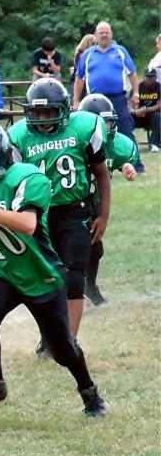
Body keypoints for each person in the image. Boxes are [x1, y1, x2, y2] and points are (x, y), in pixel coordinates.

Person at [0, 119, 106, 417]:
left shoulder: (26, 178)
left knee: (63, 350)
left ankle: (90, 392)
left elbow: (27, 224)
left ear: (0, 156)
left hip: (39, 272)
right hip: (2, 269)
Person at [8, 79, 111, 357]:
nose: (42, 119)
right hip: (37, 215)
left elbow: (101, 173)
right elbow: (11, 184)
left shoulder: (83, 127)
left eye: (49, 112)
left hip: (75, 210)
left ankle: (68, 342)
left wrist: (103, 214)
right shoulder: (19, 136)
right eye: (37, 112)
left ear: (63, 109)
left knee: (74, 277)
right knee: (46, 280)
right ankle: (49, 336)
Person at [78, 94, 138, 305]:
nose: (104, 127)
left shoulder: (118, 144)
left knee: (95, 248)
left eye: (107, 122)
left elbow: (122, 162)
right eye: (99, 122)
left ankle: (89, 287)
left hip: (94, 201)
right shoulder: (76, 140)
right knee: (73, 247)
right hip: (71, 200)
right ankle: (74, 289)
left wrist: (127, 168)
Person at [73, 21, 144, 173]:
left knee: (125, 129)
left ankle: (136, 165)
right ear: (96, 35)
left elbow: (132, 73)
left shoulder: (120, 51)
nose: (104, 35)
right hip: (94, 102)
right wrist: (76, 101)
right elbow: (79, 79)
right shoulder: (87, 55)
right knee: (89, 132)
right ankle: (88, 167)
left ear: (111, 34)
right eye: (101, 33)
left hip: (117, 99)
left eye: (107, 32)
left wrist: (136, 93)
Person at [132, 68, 160, 152]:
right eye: (148, 76)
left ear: (156, 78)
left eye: (152, 76)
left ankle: (155, 144)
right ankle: (131, 143)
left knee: (157, 116)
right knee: (126, 117)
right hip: (139, 115)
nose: (150, 79)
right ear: (144, 77)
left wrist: (146, 110)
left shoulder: (159, 87)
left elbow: (159, 106)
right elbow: (129, 104)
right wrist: (135, 111)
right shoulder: (138, 87)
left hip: (153, 116)